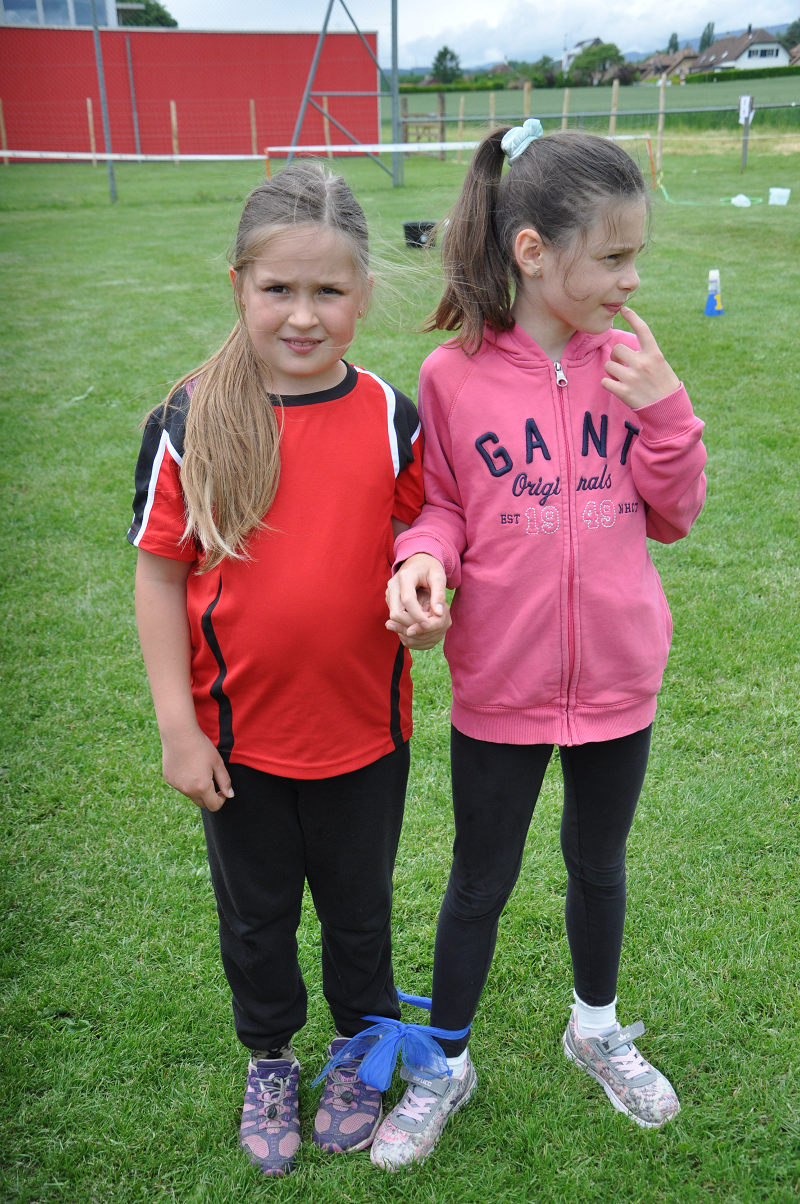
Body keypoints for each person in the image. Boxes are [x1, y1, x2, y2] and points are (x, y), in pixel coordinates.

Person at [373, 121, 707, 1170]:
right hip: (503, 683)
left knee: (597, 864)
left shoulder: (632, 366)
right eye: (612, 257)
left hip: (616, 677)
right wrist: (421, 558)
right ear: (532, 252)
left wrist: (667, 413)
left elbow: (675, 514)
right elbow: (440, 506)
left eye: (635, 256)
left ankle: (594, 1028)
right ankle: (445, 1063)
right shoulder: (451, 376)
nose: (630, 278)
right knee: (478, 879)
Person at [128, 162, 427, 1177]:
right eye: (278, 289)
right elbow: (160, 576)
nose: (303, 315)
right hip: (238, 743)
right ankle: (269, 1057)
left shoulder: (389, 414)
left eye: (328, 290)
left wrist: (425, 595)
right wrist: (178, 728)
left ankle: (360, 1048)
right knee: (256, 920)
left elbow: (421, 539)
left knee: (359, 911)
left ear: (364, 294)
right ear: (238, 286)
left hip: (363, 734)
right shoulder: (188, 418)